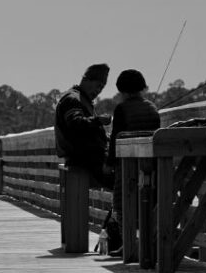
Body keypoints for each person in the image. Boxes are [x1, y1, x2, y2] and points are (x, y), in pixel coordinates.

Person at [105, 69, 161, 256]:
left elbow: (116, 139)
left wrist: (109, 162)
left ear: (122, 90)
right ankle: (149, 244)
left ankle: (128, 244)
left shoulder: (122, 109)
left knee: (122, 203)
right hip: (151, 167)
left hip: (127, 166)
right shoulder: (152, 108)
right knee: (149, 204)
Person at [55, 63, 113, 187]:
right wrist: (99, 120)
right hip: (85, 161)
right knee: (127, 179)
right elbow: (76, 124)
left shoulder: (81, 99)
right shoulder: (73, 99)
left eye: (102, 88)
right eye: (98, 86)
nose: (98, 91)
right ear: (86, 80)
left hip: (87, 160)